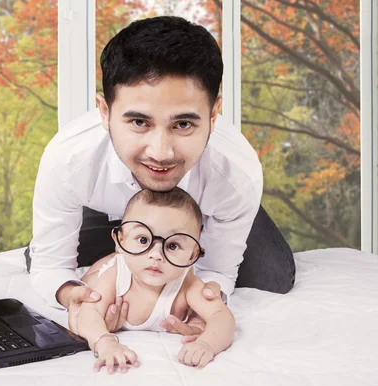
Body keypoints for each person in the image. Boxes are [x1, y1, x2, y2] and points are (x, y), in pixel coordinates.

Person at [26, 16, 295, 336]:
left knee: (272, 274)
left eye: (183, 124)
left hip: (201, 215)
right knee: (45, 259)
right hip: (104, 211)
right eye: (139, 122)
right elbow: (52, 268)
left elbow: (216, 271)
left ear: (213, 115)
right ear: (104, 112)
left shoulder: (236, 174)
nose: (161, 152)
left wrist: (202, 307)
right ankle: (116, 248)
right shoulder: (68, 161)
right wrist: (78, 297)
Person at [77, 187, 235, 373]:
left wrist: (207, 344)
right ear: (120, 241)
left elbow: (222, 317)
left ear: (192, 256)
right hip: (111, 265)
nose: (156, 255)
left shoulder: (187, 284)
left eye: (173, 245)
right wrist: (105, 343)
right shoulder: (115, 275)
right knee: (87, 282)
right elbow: (87, 314)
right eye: (143, 240)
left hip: (134, 260)